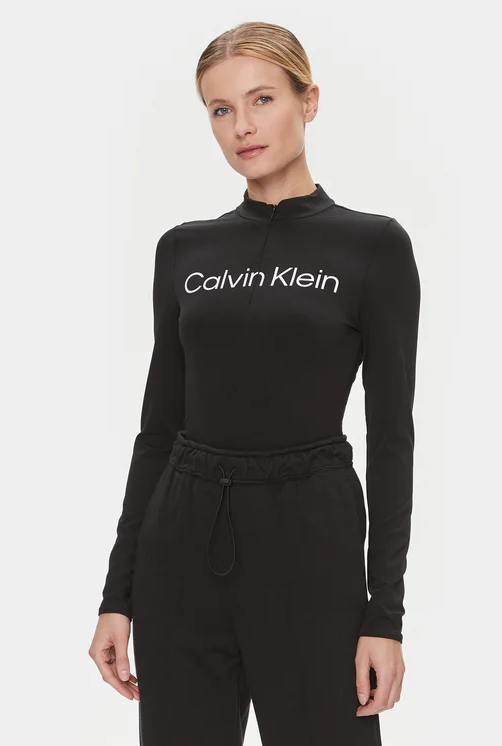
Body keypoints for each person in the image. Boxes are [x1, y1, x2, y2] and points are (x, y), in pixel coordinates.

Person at [88, 20, 421, 746]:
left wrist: (384, 617)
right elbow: (157, 430)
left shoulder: (372, 247)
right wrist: (119, 595)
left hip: (311, 545)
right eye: (221, 108)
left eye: (262, 99)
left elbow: (393, 439)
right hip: (182, 547)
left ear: (310, 101)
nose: (242, 125)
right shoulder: (184, 251)